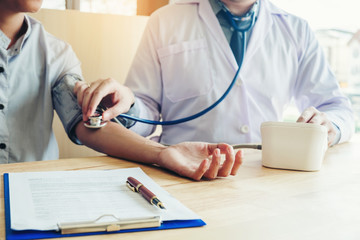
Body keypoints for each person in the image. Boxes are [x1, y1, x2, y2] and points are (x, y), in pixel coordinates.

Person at [0, 0, 243, 181]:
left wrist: (163, 153)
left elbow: (88, 123)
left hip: (30, 194)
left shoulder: (56, 54)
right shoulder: (167, 19)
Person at [77, 0, 354, 147]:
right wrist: (129, 104)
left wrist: (332, 125)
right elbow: (145, 112)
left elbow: (336, 107)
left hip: (263, 173)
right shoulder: (165, 20)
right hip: (181, 172)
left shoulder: (296, 30)